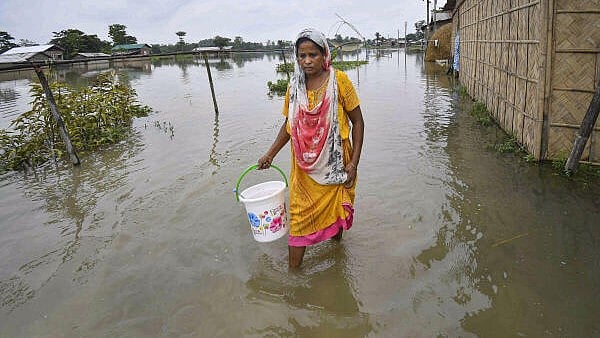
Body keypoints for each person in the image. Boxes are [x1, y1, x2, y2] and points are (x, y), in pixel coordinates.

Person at [257, 28, 364, 268]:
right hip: (304, 169)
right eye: (302, 55)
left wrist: (353, 163)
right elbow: (289, 124)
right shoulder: (294, 86)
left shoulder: (340, 81)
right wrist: (270, 154)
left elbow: (358, 122)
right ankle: (294, 276)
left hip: (337, 163)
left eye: (313, 55)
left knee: (336, 210)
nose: (307, 61)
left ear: (324, 55)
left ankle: (338, 260)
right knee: (299, 217)